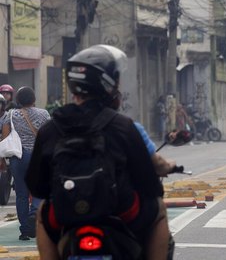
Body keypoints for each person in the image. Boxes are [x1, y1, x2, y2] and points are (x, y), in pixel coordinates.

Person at [25, 44, 170, 260]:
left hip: (67, 215)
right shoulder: (123, 126)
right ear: (108, 83)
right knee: (158, 209)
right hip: (122, 212)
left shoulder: (51, 128)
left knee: (42, 214)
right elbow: (149, 183)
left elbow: (36, 185)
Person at [0, 86, 50, 240]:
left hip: (18, 158)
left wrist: (2, 159)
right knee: (38, 189)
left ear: (18, 100)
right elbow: (50, 135)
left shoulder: (11, 115)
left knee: (21, 194)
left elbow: (5, 138)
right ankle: (34, 211)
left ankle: (25, 230)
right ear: (33, 100)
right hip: (38, 157)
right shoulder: (44, 114)